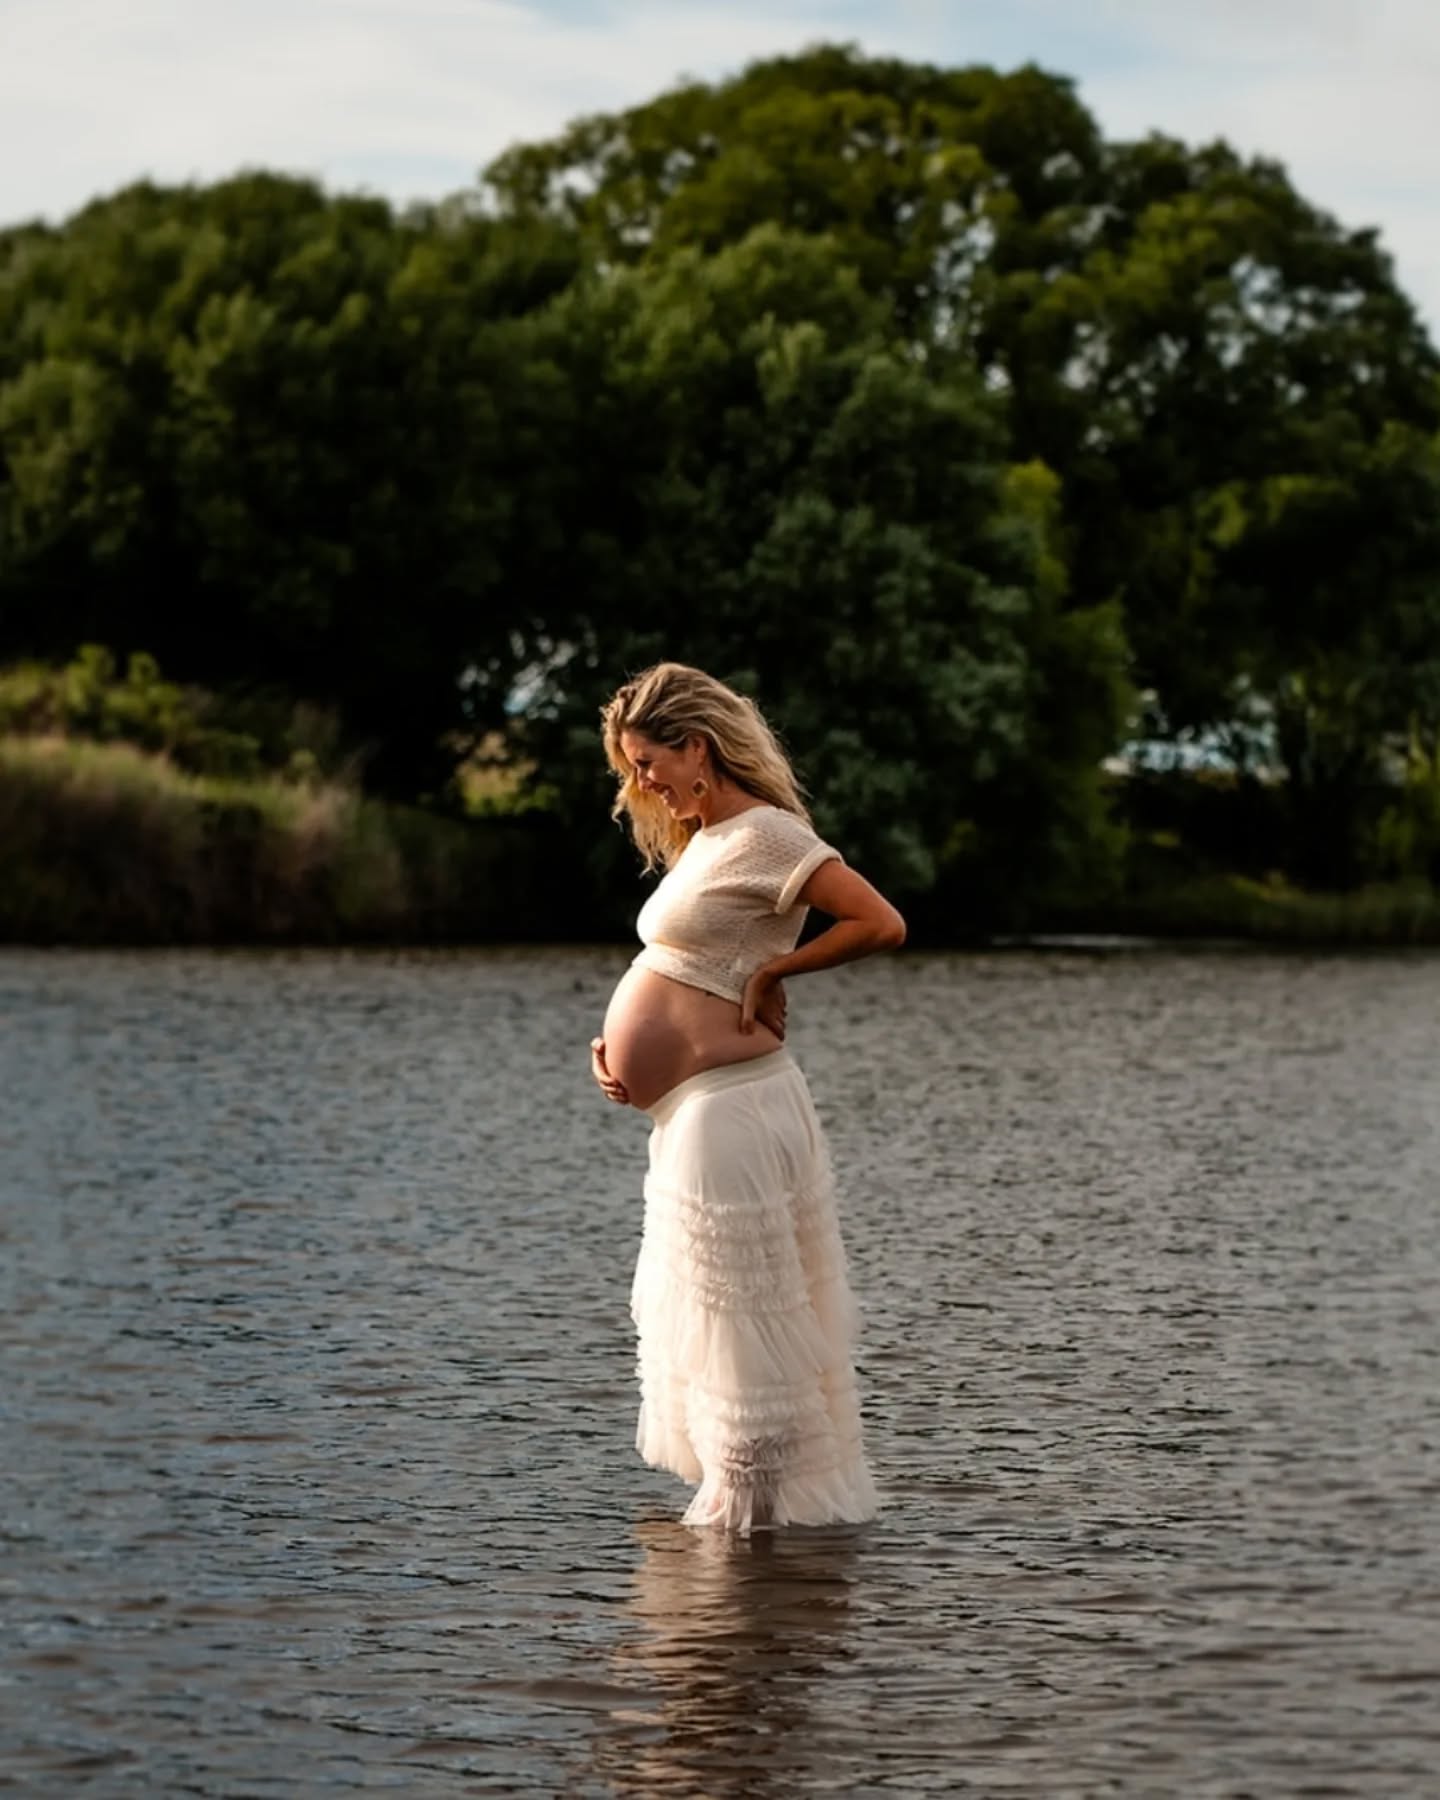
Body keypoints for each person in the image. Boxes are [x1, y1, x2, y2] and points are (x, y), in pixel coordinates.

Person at [590, 662, 905, 1533]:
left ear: (697, 747)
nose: (640, 783)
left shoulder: (769, 834)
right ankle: (748, 1545)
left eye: (649, 763)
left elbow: (880, 922)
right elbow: (688, 967)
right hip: (691, 1111)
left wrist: (779, 967)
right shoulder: (706, 844)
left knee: (743, 1329)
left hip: (735, 1107)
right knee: (710, 1317)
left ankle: (743, 1521)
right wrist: (615, 1053)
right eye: (631, 768)